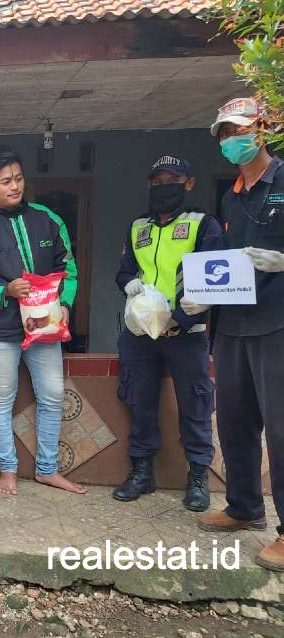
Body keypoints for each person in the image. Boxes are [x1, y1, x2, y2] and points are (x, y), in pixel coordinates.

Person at [0, 149, 84, 496]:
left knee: (53, 396)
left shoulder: (48, 220)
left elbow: (68, 270)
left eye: (19, 179)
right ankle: (7, 469)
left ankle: (47, 469)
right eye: (6, 181)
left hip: (45, 327)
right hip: (0, 330)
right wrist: (5, 290)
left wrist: (66, 303)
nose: (14, 187)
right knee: (1, 399)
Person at [197, 97, 284, 571]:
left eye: (239, 131)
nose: (232, 141)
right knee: (233, 420)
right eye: (225, 135)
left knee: (282, 427)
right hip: (233, 324)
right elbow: (227, 265)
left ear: (263, 128)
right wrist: (202, 296)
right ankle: (244, 507)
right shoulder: (230, 196)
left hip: (278, 322)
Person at [113, 156, 221, 511]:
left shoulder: (203, 224)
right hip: (142, 332)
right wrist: (129, 284)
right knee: (138, 399)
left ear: (188, 183)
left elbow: (214, 273)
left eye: (172, 180)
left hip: (187, 330)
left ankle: (198, 476)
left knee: (195, 402)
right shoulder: (138, 227)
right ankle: (142, 472)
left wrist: (189, 311)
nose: (164, 187)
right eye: (158, 181)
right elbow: (125, 270)